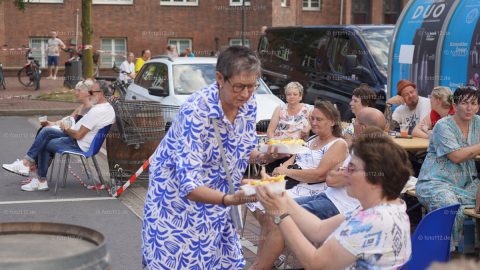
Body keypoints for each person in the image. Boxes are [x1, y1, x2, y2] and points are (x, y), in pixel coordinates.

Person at [142, 46, 285, 269]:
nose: (246, 94)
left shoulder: (248, 105)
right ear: (219, 78)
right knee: (180, 261)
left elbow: (243, 151)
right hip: (177, 202)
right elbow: (188, 185)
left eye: (252, 86)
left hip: (219, 195)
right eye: (239, 87)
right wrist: (229, 200)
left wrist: (267, 155)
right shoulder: (195, 111)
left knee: (223, 260)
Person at [256, 127, 412, 269]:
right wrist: (281, 196)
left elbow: (316, 264)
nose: (344, 173)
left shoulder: (372, 221)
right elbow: (318, 229)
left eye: (351, 168)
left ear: (375, 179)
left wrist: (281, 214)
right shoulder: (385, 208)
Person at [2, 80, 115, 191]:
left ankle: (38, 178)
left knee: (45, 140)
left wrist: (66, 130)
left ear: (102, 94)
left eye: (92, 92)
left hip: (78, 143)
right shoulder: (107, 108)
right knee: (46, 131)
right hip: (80, 139)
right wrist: (61, 126)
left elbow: (79, 135)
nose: (90, 94)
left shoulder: (97, 111)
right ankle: (28, 165)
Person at [416, 86, 480, 250]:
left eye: (474, 103)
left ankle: (470, 251)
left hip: (467, 184)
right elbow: (456, 156)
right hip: (436, 182)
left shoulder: (478, 123)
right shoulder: (443, 126)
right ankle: (444, 253)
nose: (469, 108)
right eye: (464, 103)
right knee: (450, 208)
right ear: (455, 104)